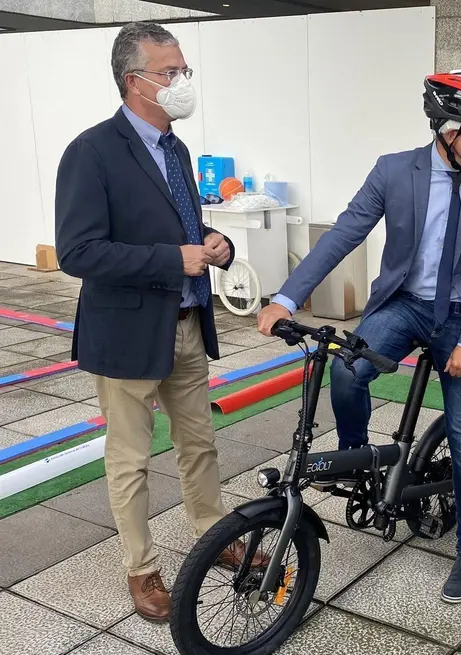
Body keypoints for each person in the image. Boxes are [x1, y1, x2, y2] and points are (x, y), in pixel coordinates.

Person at [258, 70, 461, 603]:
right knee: (346, 368)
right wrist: (286, 297)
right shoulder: (395, 170)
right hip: (405, 305)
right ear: (448, 129)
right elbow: (344, 233)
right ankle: (356, 457)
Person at [55, 22, 265, 623]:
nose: (181, 82)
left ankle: (212, 534)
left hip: (188, 321)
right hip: (127, 332)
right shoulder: (92, 152)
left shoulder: (176, 148)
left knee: (199, 443)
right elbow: (78, 251)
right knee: (131, 457)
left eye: (183, 71)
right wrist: (172, 259)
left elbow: (179, 225)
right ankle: (141, 569)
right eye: (169, 73)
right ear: (134, 81)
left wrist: (213, 243)